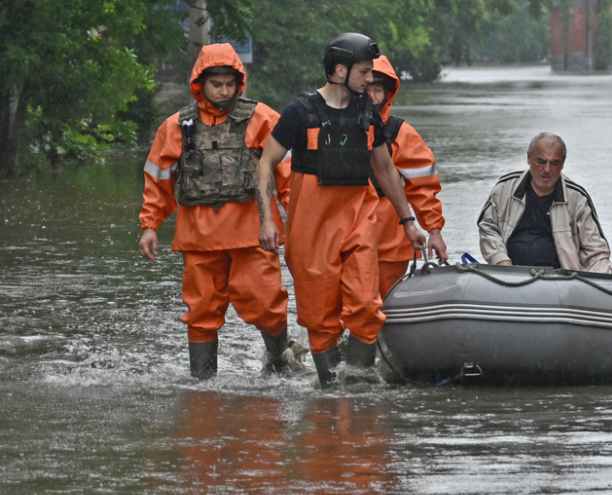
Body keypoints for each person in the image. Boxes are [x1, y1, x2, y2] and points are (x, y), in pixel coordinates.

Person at [255, 32, 427, 388]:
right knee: (321, 322)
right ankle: (332, 395)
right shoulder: (299, 112)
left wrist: (408, 221)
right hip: (310, 231)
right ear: (338, 70)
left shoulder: (367, 111)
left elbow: (384, 168)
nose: (370, 79)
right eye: (364, 72)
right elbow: (266, 163)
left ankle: (360, 388)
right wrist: (267, 220)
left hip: (357, 224)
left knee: (366, 305)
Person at [137, 43, 292, 379]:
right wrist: (150, 225)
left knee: (266, 303)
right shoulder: (177, 126)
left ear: (240, 83)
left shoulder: (264, 118)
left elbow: (288, 174)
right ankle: (202, 384)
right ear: (200, 84)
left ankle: (281, 360)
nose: (224, 91)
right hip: (198, 237)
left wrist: (299, 218)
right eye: (216, 84)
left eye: (230, 84)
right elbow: (159, 178)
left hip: (254, 233)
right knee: (201, 311)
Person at [366, 54, 448, 297]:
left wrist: (434, 230)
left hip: (389, 244)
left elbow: (423, 187)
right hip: (342, 238)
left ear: (388, 94)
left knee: (380, 308)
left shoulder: (401, 134)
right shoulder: (333, 128)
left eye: (377, 89)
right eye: (366, 88)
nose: (371, 96)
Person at [478, 132, 611, 272]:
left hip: (560, 281)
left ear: (563, 162)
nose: (547, 170)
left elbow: (597, 252)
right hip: (509, 275)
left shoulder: (578, 198)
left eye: (554, 163)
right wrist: (500, 260)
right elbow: (487, 227)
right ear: (528, 158)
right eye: (541, 161)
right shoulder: (505, 187)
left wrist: (596, 285)